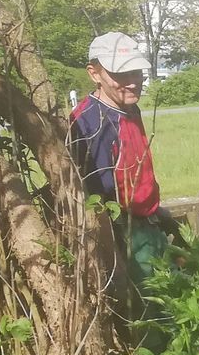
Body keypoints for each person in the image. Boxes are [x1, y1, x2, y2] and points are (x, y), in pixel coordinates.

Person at [70, 31, 181, 295]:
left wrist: (155, 210)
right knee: (156, 306)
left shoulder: (130, 109)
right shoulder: (88, 123)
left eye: (136, 72)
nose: (132, 82)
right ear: (94, 74)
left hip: (149, 223)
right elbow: (95, 195)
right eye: (121, 75)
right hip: (123, 233)